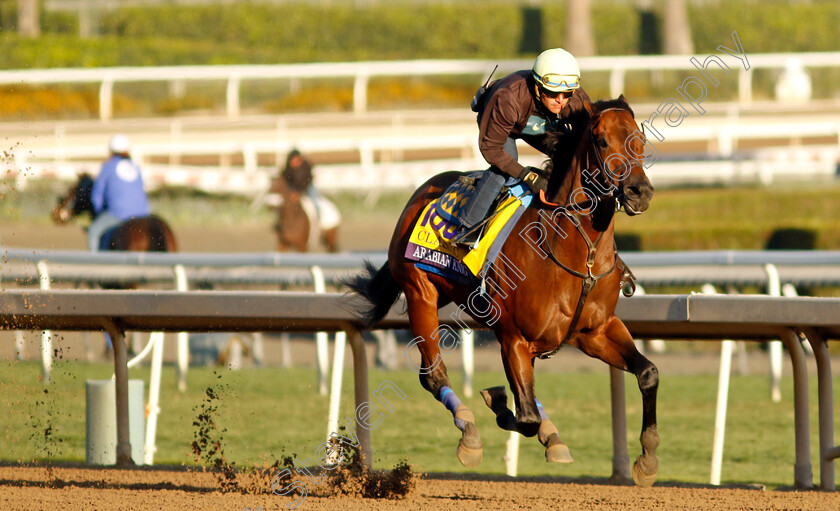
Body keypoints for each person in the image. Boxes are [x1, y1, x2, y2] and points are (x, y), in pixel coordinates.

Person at [457, 48, 591, 245]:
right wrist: (527, 175)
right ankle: (468, 227)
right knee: (504, 167)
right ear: (538, 88)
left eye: (566, 93)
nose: (560, 100)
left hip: (536, 122)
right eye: (553, 93)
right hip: (500, 121)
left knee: (569, 152)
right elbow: (491, 149)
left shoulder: (576, 101)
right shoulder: (508, 98)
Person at [87, 134, 150, 251]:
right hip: (143, 215)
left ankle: (94, 264)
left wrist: (98, 212)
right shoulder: (135, 167)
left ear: (111, 151)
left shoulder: (107, 167)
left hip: (118, 215)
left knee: (93, 231)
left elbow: (96, 197)